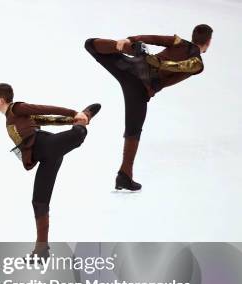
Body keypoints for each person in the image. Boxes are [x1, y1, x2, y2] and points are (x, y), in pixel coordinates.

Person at [85, 24, 213, 190]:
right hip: (141, 86)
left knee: (90, 44)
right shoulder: (197, 63)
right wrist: (132, 44)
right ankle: (124, 175)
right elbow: (179, 66)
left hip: (129, 67)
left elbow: (153, 40)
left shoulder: (178, 42)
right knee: (133, 130)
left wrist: (130, 42)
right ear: (208, 42)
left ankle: (129, 49)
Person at [0, 83, 100, 260]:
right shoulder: (13, 117)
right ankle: (41, 251)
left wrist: (75, 114)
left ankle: (85, 116)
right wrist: (71, 120)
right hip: (47, 156)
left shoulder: (17, 108)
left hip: (46, 146)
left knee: (78, 135)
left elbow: (45, 109)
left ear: (1, 100)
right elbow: (46, 119)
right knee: (39, 202)